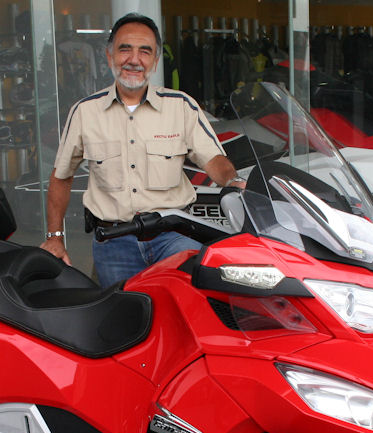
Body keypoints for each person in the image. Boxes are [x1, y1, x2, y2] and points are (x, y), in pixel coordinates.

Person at [41, 12, 245, 286]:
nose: (134, 60)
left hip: (174, 236)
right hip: (114, 243)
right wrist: (55, 238)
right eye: (125, 49)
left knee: (185, 312)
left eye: (145, 51)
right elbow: (61, 176)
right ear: (109, 55)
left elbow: (213, 160)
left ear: (155, 60)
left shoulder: (181, 106)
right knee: (123, 319)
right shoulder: (85, 112)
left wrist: (233, 181)